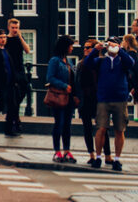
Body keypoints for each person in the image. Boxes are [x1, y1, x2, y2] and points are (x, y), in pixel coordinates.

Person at [84, 36, 134, 172]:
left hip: (120, 99)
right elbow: (87, 64)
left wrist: (121, 51)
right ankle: (99, 156)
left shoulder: (122, 61)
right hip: (103, 99)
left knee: (120, 129)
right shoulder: (101, 61)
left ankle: (117, 159)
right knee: (101, 128)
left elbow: (131, 63)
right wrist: (95, 50)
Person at [76, 40, 111, 166]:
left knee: (102, 128)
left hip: (98, 99)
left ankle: (107, 154)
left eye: (88, 47)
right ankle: (91, 154)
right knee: (87, 128)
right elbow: (77, 81)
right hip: (86, 99)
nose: (85, 49)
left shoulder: (100, 62)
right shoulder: (81, 64)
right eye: (84, 47)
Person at [47, 35, 78, 163]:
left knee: (67, 125)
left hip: (69, 98)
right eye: (70, 46)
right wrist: (64, 86)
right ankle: (57, 151)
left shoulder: (68, 61)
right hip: (59, 96)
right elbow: (50, 77)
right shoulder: (55, 61)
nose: (72, 48)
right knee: (58, 124)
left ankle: (66, 150)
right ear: (65, 47)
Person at [5, 18, 31, 134]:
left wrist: (20, 37)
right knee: (13, 97)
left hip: (20, 70)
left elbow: (27, 50)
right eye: (13, 27)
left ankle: (14, 118)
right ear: (9, 27)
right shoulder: (5, 39)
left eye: (17, 27)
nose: (15, 30)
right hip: (11, 71)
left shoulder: (20, 38)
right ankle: (15, 122)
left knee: (25, 89)